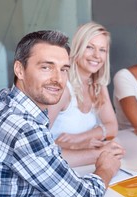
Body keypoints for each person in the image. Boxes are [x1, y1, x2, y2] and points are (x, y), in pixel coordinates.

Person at [0, 30, 134, 197]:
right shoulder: (25, 130)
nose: (58, 79)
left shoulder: (0, 102)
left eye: (63, 69)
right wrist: (106, 167)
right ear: (19, 69)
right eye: (46, 67)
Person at [48, 22, 118, 167]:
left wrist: (80, 138)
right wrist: (76, 145)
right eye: (89, 47)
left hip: (83, 165)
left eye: (102, 50)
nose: (96, 56)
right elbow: (34, 144)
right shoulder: (62, 88)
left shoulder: (97, 84)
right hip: (57, 167)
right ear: (77, 48)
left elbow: (112, 127)